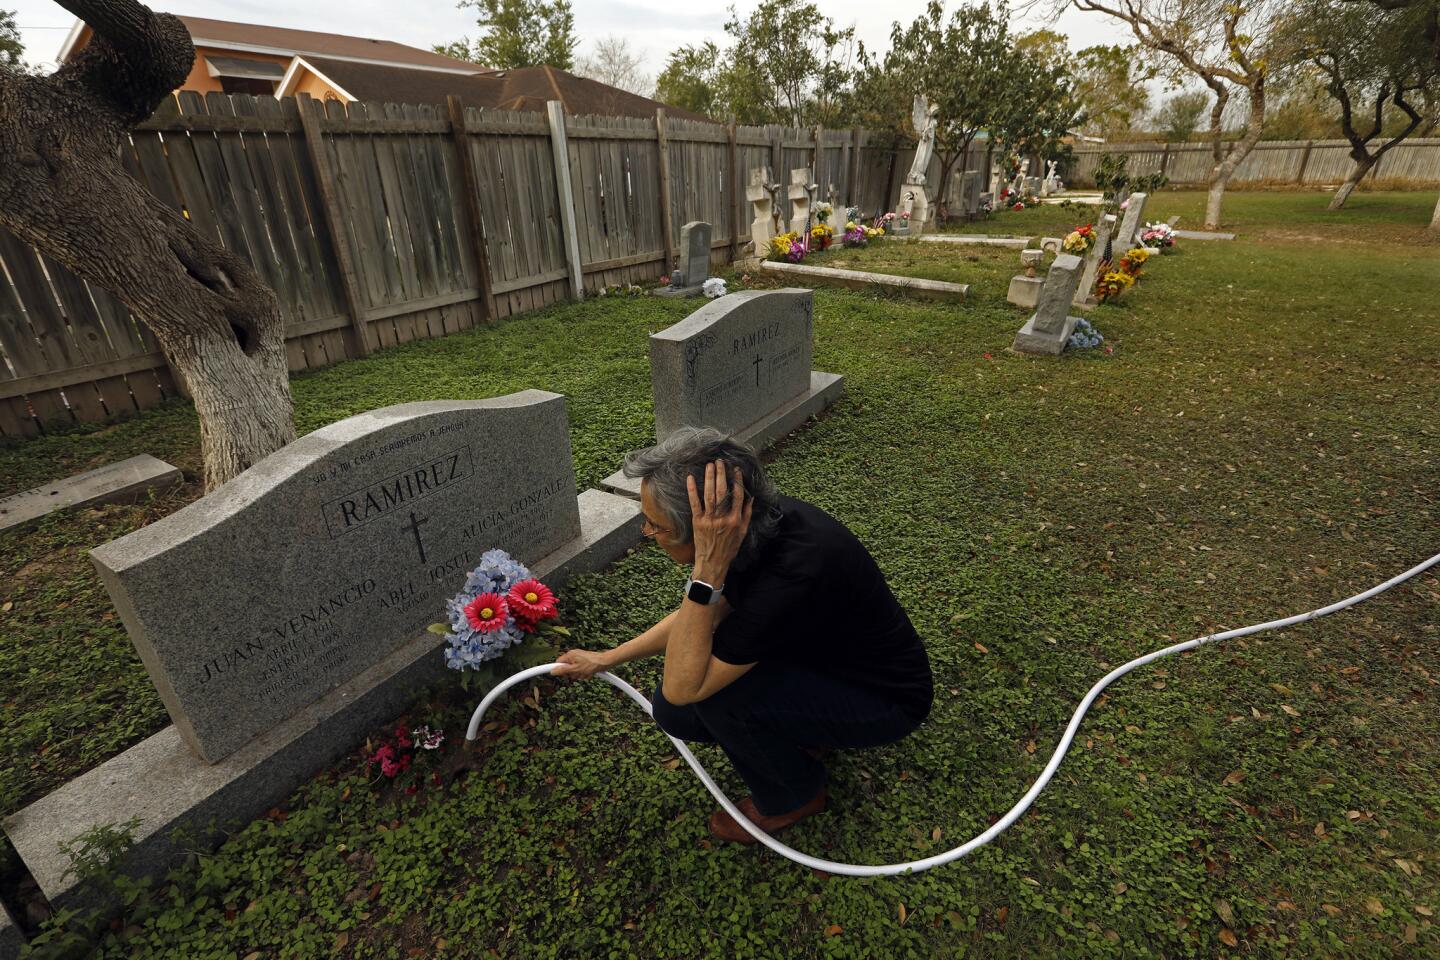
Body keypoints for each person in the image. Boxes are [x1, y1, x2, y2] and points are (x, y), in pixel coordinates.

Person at [554, 428, 932, 844]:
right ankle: (802, 737)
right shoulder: (749, 523)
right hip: (820, 662)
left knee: (712, 698)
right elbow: (706, 613)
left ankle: (795, 796)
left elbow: (684, 685)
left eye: (655, 525)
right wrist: (607, 657)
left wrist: (707, 569)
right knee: (673, 711)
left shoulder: (788, 573)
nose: (647, 533)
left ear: (703, 529)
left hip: (883, 700)